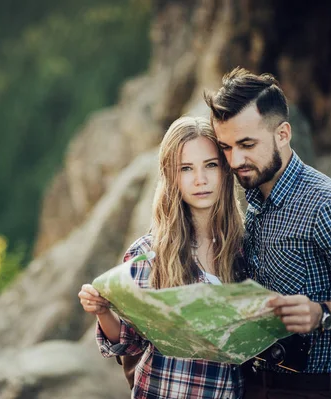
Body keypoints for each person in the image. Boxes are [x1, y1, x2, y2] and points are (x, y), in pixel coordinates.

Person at [205, 67, 331, 399]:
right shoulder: (250, 198)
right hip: (248, 386)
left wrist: (321, 314)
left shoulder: (328, 205)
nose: (235, 160)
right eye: (227, 147)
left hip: (314, 391)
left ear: (283, 134)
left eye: (247, 144)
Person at [79, 116, 246, 398]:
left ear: (225, 170)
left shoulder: (243, 250)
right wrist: (103, 310)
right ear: (171, 176)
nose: (200, 179)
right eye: (186, 169)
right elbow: (128, 344)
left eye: (210, 165)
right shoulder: (148, 254)